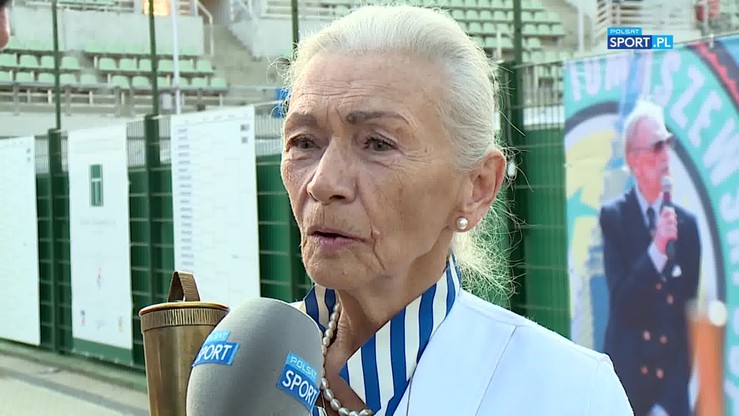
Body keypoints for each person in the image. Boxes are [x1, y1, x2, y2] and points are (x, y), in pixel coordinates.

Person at [280, 5, 633, 416]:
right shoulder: (240, 360)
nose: (322, 183)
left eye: (377, 144)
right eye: (304, 142)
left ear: (477, 187)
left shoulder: (569, 394)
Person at [600, 100, 701, 416]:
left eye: (667, 144)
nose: (665, 156)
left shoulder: (687, 226)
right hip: (628, 385)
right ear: (634, 159)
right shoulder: (614, 218)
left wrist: (671, 399)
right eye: (656, 147)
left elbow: (686, 318)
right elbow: (623, 305)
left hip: (670, 394)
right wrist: (656, 251)